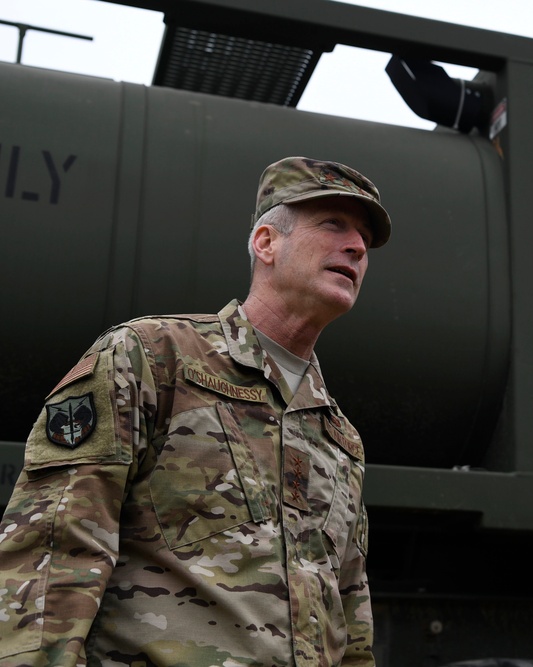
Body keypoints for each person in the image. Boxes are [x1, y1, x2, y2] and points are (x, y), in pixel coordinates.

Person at [0, 156, 391, 666]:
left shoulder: (339, 437)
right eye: (333, 224)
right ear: (266, 243)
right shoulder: (152, 357)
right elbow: (53, 549)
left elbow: (351, 616)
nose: (357, 246)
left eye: (363, 237)